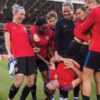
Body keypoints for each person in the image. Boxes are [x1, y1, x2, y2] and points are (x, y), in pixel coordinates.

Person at [4, 4, 37, 100]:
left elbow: (25, 42)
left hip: (30, 55)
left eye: (24, 15)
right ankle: (9, 98)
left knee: (31, 82)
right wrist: (9, 53)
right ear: (14, 13)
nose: (23, 17)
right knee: (18, 81)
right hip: (19, 56)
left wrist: (32, 49)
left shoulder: (23, 27)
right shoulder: (8, 25)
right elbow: (7, 41)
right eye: (21, 14)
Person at [54, 2, 76, 99]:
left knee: (76, 75)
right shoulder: (59, 22)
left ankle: (76, 96)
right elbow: (57, 39)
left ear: (73, 10)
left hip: (76, 54)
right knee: (63, 76)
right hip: (63, 54)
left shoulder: (77, 21)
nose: (66, 13)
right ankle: (63, 97)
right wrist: (56, 53)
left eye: (68, 11)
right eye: (64, 11)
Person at [30, 17, 54, 100]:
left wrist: (53, 56)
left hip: (44, 58)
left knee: (46, 78)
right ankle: (34, 98)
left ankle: (48, 97)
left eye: (46, 27)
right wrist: (46, 62)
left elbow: (49, 47)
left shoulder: (49, 33)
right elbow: (35, 52)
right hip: (34, 59)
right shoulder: (33, 35)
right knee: (33, 79)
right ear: (38, 27)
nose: (45, 30)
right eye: (43, 28)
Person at [80, 0, 100, 100]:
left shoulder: (95, 11)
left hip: (96, 49)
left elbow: (82, 29)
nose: (86, 6)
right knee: (98, 78)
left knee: (86, 77)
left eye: (87, 3)